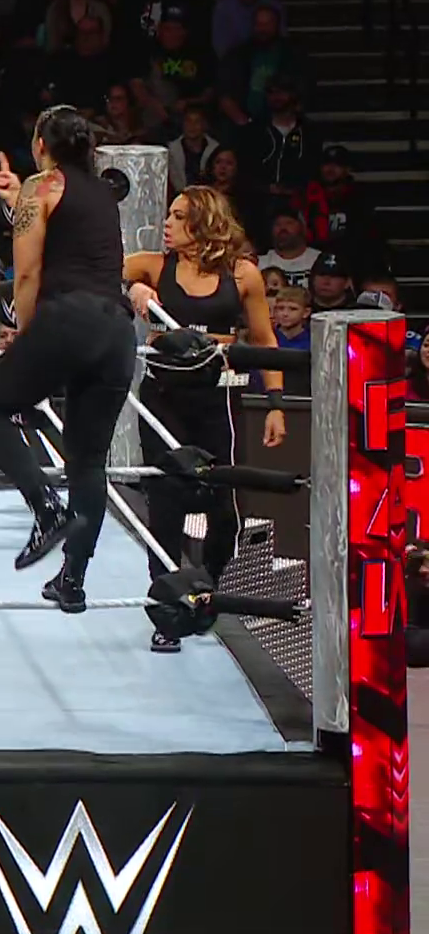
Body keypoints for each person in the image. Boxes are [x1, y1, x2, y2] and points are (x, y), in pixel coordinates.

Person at [0, 107, 138, 612]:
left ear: (41, 144)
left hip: (69, 319)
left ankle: (46, 509)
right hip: (116, 331)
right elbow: (70, 235)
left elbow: (26, 273)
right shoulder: (100, 194)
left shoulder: (41, 186)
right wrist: (15, 201)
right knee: (88, 460)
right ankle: (72, 582)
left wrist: (25, 335)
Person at [125, 184, 287, 651]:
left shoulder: (242, 274)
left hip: (219, 398)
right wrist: (131, 288)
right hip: (164, 397)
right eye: (169, 215)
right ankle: (167, 608)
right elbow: (91, 270)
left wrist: (275, 402)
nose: (167, 224)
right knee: (166, 503)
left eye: (178, 217)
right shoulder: (153, 265)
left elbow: (265, 340)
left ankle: (204, 589)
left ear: (203, 222)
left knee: (224, 509)